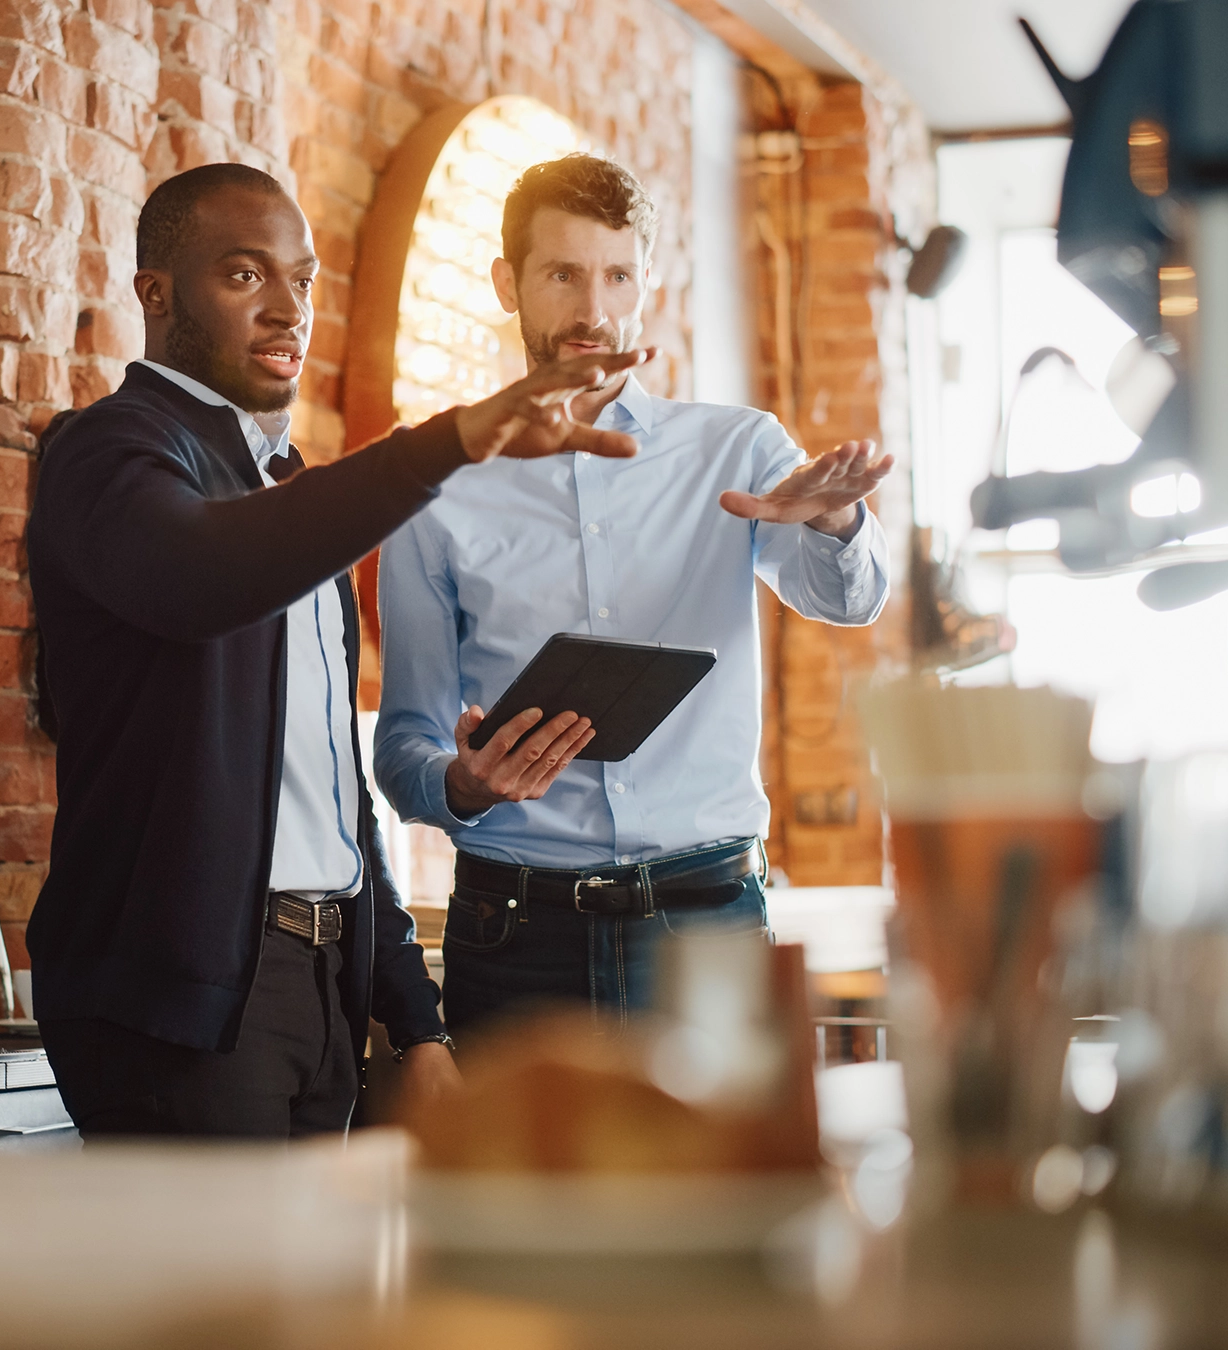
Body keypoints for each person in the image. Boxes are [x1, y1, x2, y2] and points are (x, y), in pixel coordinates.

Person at [25, 163, 653, 1138]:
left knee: (319, 1293)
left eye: (301, 281)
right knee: (233, 1295)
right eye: (243, 276)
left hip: (317, 995)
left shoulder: (283, 489)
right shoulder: (104, 450)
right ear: (154, 292)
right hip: (176, 1011)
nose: (286, 309)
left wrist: (414, 1019)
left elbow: (329, 791)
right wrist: (445, 443)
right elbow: (199, 577)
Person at [374, 155, 893, 1035]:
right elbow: (404, 747)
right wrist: (462, 783)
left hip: (706, 925)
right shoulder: (439, 480)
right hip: (515, 935)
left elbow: (851, 601)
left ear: (645, 282)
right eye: (564, 275)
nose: (594, 310)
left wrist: (836, 523)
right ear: (508, 283)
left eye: (617, 275)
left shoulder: (737, 449)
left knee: (723, 1180)